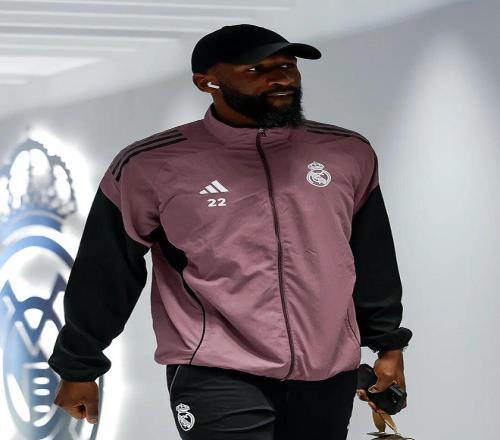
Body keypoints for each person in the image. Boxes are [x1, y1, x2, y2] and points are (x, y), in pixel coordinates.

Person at [48, 24, 413, 440]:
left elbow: (372, 256)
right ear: (207, 82)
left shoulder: (347, 152)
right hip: (215, 369)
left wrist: (389, 344)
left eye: (287, 66)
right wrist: (79, 366)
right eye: (257, 70)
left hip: (327, 370)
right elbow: (106, 270)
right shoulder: (150, 165)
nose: (280, 79)